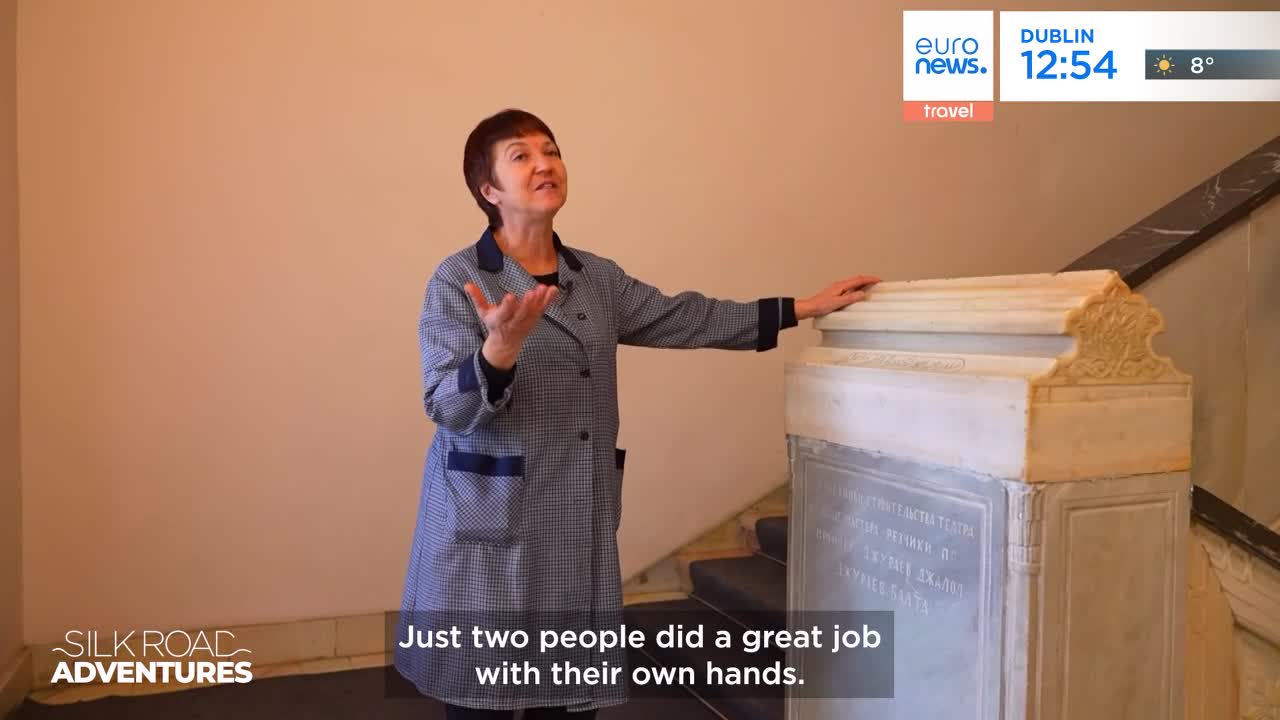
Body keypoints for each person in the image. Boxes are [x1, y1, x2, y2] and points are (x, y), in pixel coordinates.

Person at [394, 109, 879, 719]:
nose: (545, 163)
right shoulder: (459, 280)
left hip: (575, 512)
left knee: (567, 698)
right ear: (489, 190)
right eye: (521, 155)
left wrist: (804, 306)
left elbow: (687, 316)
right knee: (483, 697)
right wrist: (496, 354)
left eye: (552, 149)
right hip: (488, 517)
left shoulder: (593, 277)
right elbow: (444, 404)